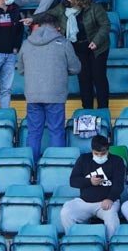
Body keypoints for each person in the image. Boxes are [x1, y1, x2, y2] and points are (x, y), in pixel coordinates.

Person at [19, 14, 81, 162]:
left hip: (33, 94)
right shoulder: (63, 43)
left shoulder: (27, 43)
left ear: (38, 26)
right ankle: (56, 166)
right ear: (56, 27)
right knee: (56, 131)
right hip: (55, 94)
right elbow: (76, 68)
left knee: (33, 133)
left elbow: (21, 69)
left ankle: (31, 168)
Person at [46, 0, 111, 110]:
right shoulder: (63, 8)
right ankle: (87, 110)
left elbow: (105, 25)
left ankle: (103, 109)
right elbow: (49, 14)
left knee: (99, 78)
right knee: (84, 79)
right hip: (78, 48)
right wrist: (32, 19)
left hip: (97, 48)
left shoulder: (94, 8)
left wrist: (96, 41)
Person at [60, 135, 125, 240]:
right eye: (96, 154)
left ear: (108, 150)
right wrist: (89, 181)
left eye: (103, 154)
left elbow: (119, 184)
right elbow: (73, 181)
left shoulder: (117, 161)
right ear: (92, 150)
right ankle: (73, 241)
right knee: (66, 212)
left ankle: (111, 244)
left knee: (111, 217)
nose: (100, 156)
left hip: (106, 202)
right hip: (84, 201)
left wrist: (110, 199)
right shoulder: (83, 159)